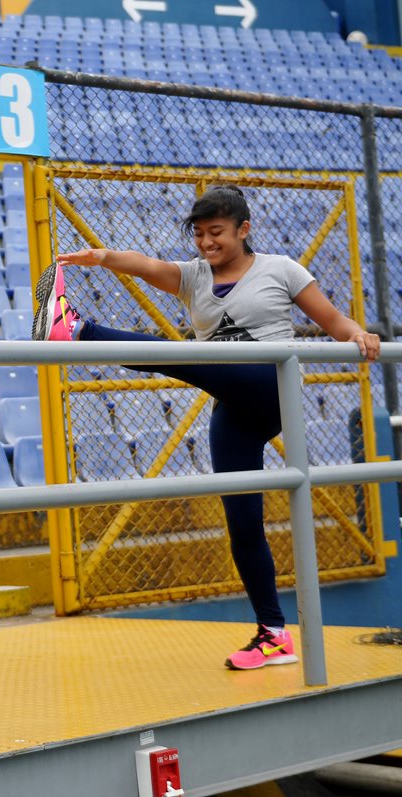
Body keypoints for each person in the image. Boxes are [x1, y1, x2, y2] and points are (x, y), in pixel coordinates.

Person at [32, 185, 380, 671]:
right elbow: (147, 265)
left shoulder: (280, 269)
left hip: (270, 386)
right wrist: (103, 257)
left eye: (216, 233)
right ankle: (273, 635)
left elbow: (331, 319)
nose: (206, 243)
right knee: (241, 522)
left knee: (184, 356)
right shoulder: (194, 277)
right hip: (232, 406)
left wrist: (359, 335)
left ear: (244, 229)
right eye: (198, 234)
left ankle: (76, 331)